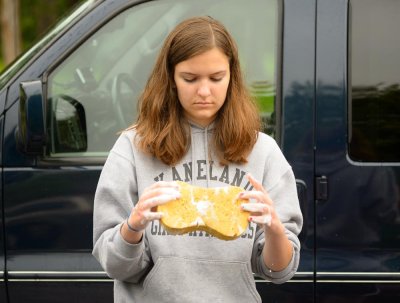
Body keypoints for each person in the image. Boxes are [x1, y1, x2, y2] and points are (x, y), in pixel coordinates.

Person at [92, 16, 303, 303]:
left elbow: (280, 271)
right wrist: (133, 226)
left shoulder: (263, 151)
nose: (204, 91)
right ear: (171, 79)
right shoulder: (132, 147)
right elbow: (114, 266)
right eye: (190, 79)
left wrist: (275, 229)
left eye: (216, 78)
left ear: (232, 76)